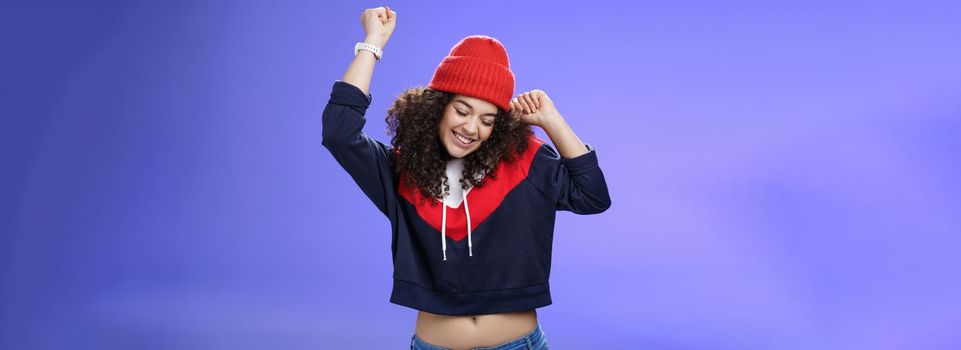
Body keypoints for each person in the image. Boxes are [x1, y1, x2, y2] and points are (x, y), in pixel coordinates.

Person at [322, 6, 611, 350]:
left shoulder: (526, 163)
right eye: (462, 111)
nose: (472, 128)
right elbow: (339, 133)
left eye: (488, 120)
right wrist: (372, 43)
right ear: (437, 107)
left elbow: (593, 197)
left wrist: (553, 122)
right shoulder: (401, 171)